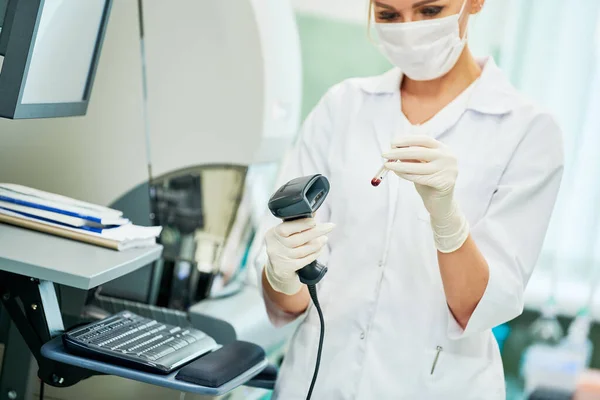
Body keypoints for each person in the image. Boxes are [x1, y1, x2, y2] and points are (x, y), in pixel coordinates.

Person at [256, 0, 564, 398]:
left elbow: (479, 307)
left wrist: (448, 222)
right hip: (318, 381)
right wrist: (281, 272)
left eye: (430, 10)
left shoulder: (528, 131)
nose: (409, 29)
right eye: (388, 15)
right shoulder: (342, 108)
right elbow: (290, 302)